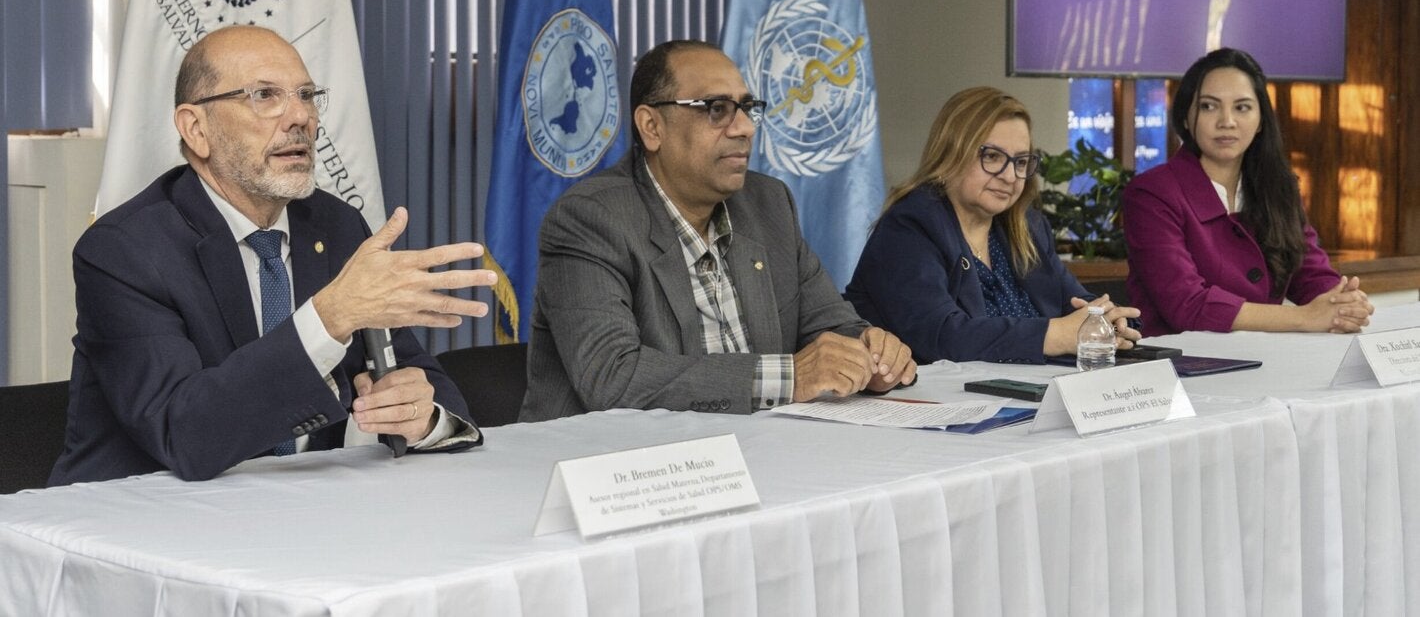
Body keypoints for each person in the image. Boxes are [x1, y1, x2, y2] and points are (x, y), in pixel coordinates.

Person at [51, 26, 493, 485]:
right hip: (135, 519)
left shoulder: (337, 226)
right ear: (196, 128)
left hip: (294, 512)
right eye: (264, 95)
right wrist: (329, 317)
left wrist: (419, 415)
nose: (299, 116)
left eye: (306, 95)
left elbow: (421, 381)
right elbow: (185, 434)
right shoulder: (124, 250)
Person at [520, 40, 917, 422]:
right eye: (716, 109)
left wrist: (871, 351)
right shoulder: (591, 218)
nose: (744, 127)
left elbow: (831, 325)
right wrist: (790, 377)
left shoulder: (769, 203)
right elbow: (612, 376)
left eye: (746, 108)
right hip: (617, 471)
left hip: (757, 452)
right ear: (652, 126)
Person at [844, 87, 1140, 363]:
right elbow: (942, 337)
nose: (1010, 176)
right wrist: (1058, 335)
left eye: (1021, 162)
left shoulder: (1027, 227)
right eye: (993, 157)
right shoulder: (910, 227)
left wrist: (1108, 321)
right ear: (951, 153)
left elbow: (1076, 303)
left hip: (1029, 398)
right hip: (937, 407)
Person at [1122, 47, 1374, 335]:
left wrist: (1342, 304)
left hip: (1268, 359)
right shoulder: (1151, 194)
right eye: (1208, 106)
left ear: (1260, 121)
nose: (1226, 121)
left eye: (1242, 107)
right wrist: (1304, 318)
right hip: (1182, 366)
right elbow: (1187, 306)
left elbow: (1311, 273)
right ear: (1186, 118)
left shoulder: (1278, 187)